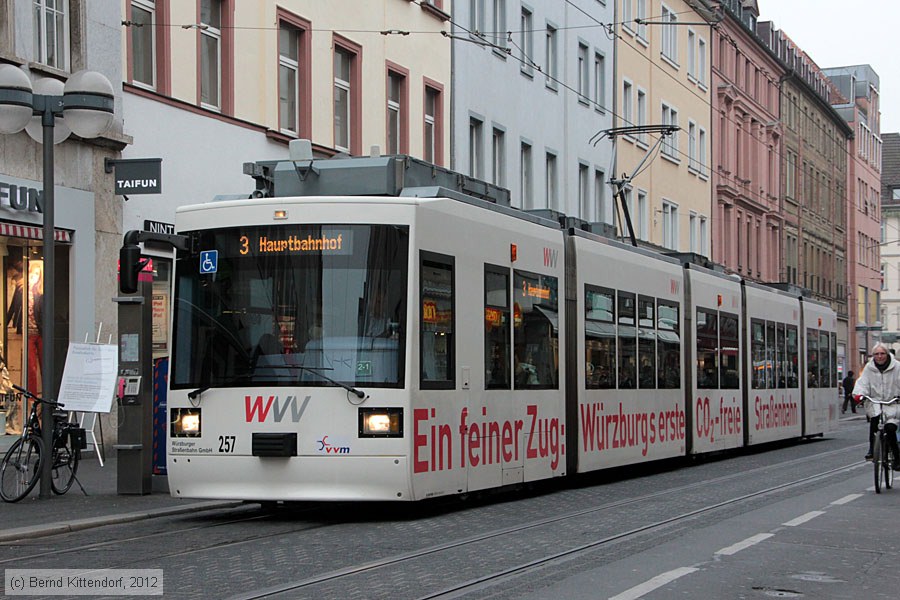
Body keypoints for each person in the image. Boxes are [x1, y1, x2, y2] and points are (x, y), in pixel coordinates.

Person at [852, 342, 900, 464]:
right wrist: (859, 394)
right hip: (875, 402)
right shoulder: (869, 368)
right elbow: (862, 383)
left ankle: (897, 457)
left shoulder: (897, 367)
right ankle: (872, 449)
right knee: (875, 421)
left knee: (890, 428)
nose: (879, 356)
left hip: (893, 403)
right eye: (876, 354)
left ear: (887, 354)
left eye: (882, 353)